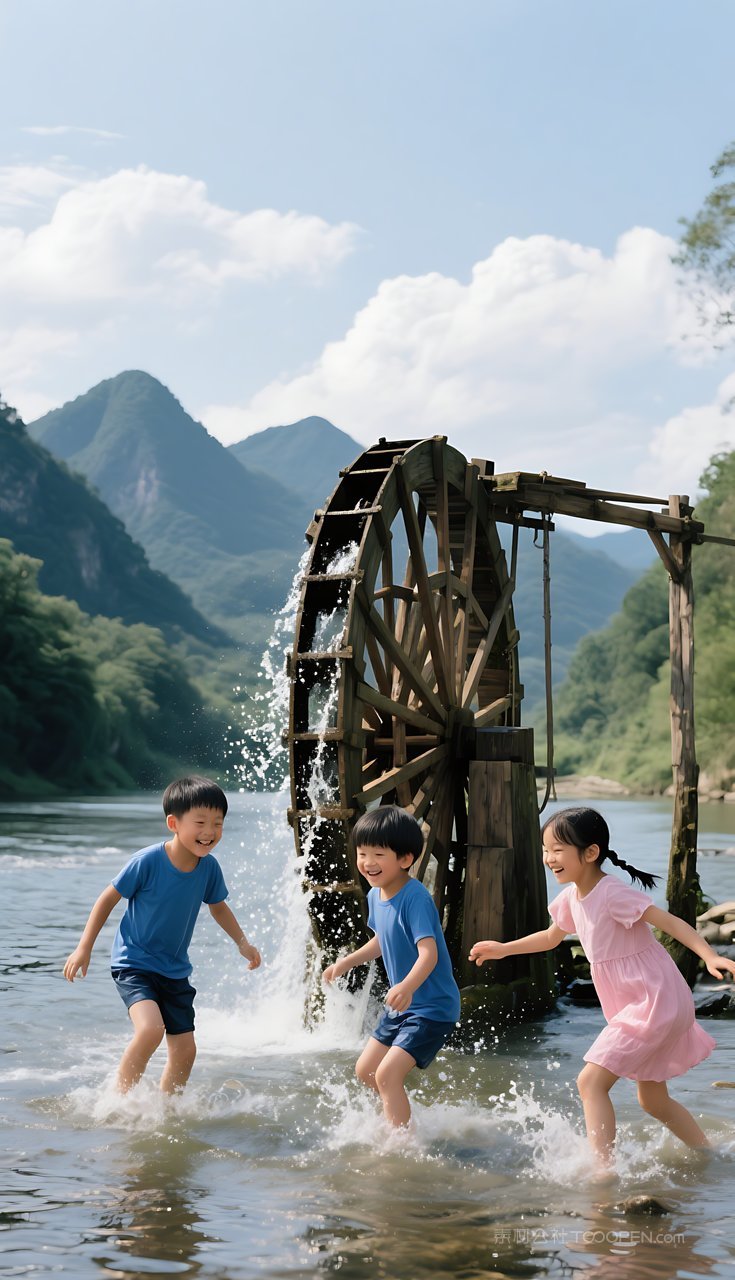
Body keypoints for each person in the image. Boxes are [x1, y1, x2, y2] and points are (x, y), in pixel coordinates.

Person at [469, 806, 735, 1166]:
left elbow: (669, 922)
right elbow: (551, 938)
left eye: (557, 850)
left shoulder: (612, 893)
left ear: (590, 852)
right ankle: (711, 1155)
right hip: (639, 1004)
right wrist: (504, 949)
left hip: (652, 1000)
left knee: (590, 1082)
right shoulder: (570, 899)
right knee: (652, 1101)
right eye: (546, 850)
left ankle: (603, 1171)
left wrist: (710, 955)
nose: (549, 858)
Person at [63, 775, 261, 1094]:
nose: (209, 832)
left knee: (185, 1050)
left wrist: (242, 943)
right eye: (200, 822)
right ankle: (117, 1101)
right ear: (174, 822)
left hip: (174, 971)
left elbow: (219, 908)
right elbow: (107, 898)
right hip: (134, 964)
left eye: (218, 823)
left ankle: (166, 1108)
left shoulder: (209, 868)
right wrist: (83, 948)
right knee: (151, 1030)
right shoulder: (148, 861)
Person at [322, 805, 461, 1128]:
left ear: (405, 859)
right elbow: (382, 941)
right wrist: (345, 963)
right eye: (362, 853)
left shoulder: (416, 898)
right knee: (366, 1071)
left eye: (378, 855)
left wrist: (406, 986)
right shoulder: (375, 895)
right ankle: (396, 1120)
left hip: (432, 1007)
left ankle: (402, 1144)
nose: (368, 863)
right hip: (404, 1006)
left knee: (386, 1074)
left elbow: (429, 955)